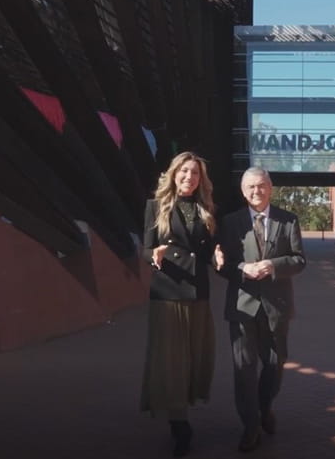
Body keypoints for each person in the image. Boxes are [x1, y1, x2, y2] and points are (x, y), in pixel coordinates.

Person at [140, 152, 224, 457]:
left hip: (197, 292)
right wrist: (154, 256)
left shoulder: (206, 209)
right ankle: (179, 425)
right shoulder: (156, 206)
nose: (190, 177)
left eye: (195, 173)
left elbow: (208, 250)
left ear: (201, 179)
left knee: (194, 357)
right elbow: (146, 248)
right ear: (174, 174)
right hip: (168, 293)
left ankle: (183, 408)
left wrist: (216, 257)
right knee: (172, 361)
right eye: (185, 171)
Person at [217, 166, 307, 452]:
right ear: (243, 191)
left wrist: (273, 265)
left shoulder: (288, 220)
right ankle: (251, 425)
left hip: (276, 306)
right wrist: (243, 268)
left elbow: (299, 260)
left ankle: (264, 406)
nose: (256, 191)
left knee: (274, 365)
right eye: (251, 187)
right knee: (243, 368)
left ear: (270, 188)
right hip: (242, 306)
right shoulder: (230, 222)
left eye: (261, 186)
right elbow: (222, 265)